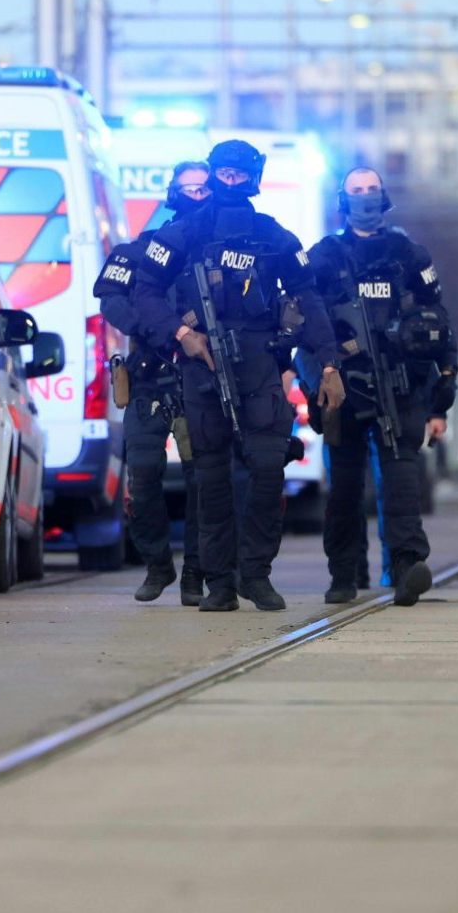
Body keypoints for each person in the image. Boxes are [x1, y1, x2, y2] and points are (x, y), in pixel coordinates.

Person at [134, 139, 344, 611]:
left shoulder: (275, 237)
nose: (230, 182)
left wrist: (328, 361)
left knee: (268, 471)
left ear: (252, 179)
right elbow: (144, 291)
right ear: (213, 174)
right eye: (223, 174)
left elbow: (309, 298)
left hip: (261, 363)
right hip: (202, 362)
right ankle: (220, 584)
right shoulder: (181, 234)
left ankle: (257, 574)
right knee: (211, 478)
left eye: (238, 176)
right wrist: (179, 334)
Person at [309, 167, 457, 607]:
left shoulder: (408, 254)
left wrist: (442, 391)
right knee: (345, 485)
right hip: (345, 386)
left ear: (384, 195)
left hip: (402, 384)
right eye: (357, 191)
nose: (366, 198)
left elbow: (438, 321)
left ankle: (408, 565)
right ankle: (344, 572)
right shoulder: (326, 255)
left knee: (401, 479)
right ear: (343, 198)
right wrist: (313, 372)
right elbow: (304, 318)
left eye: (372, 190)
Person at [94, 161, 210, 604]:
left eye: (204, 188)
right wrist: (155, 327)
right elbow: (110, 298)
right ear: (173, 193)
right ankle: (158, 565)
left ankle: (197, 573)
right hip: (148, 377)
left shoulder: (214, 251)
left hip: (198, 380)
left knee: (204, 480)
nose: (197, 195)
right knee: (142, 478)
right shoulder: (139, 250)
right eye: (189, 188)